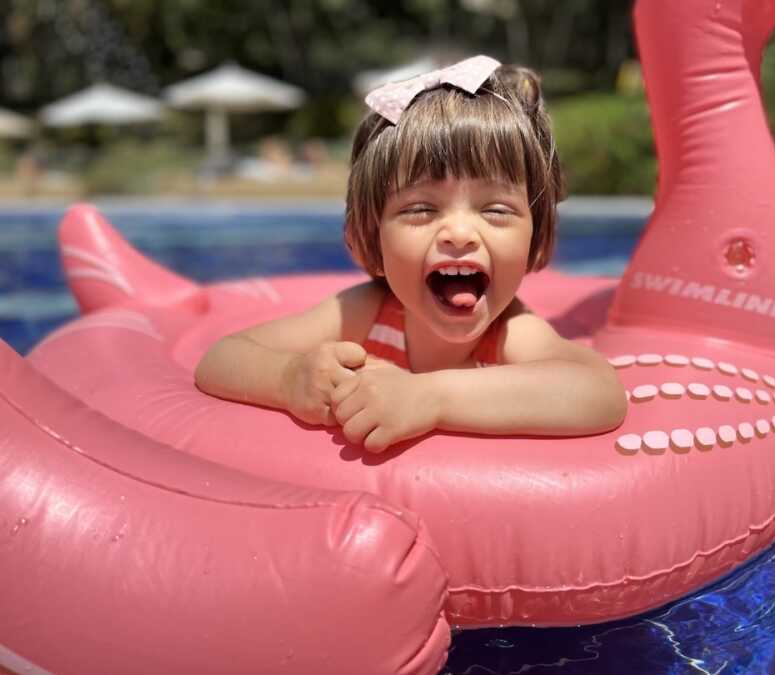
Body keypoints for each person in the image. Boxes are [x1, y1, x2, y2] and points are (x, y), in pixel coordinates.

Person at [195, 55, 626, 453]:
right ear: (373, 235)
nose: (459, 233)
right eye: (420, 208)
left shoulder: (511, 333)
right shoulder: (365, 312)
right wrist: (289, 379)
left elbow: (600, 392)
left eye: (496, 209)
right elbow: (221, 358)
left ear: (534, 236)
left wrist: (430, 398)